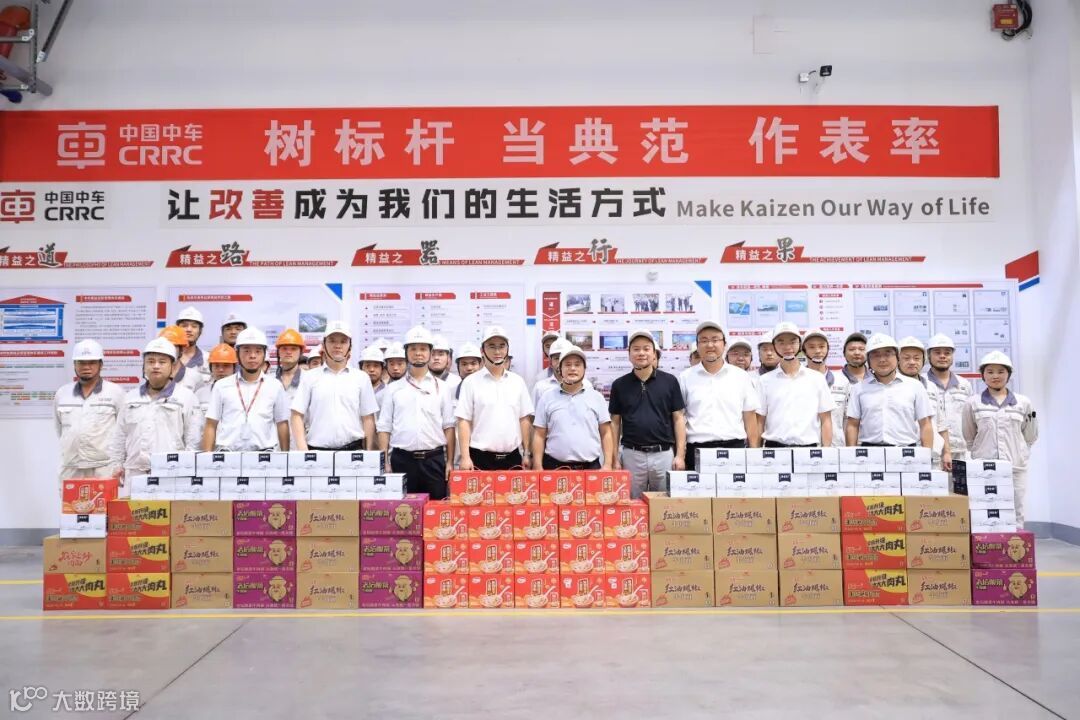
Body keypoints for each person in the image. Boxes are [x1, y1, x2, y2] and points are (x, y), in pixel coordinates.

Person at [377, 326, 456, 498]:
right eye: (413, 349)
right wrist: (385, 462)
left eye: (423, 349)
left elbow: (449, 427)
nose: (418, 353)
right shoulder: (393, 389)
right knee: (402, 510)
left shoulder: (442, 388)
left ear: (430, 352)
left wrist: (449, 462)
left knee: (436, 509)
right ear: (406, 352)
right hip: (401, 461)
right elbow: (384, 428)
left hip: (434, 461)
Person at [108, 338, 201, 483]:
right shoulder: (130, 398)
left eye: (162, 362)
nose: (156, 366)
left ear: (173, 366)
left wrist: (187, 471)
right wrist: (116, 465)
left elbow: (193, 440)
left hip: (172, 474)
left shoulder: (186, 397)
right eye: (150, 361)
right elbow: (120, 436)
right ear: (144, 366)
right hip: (135, 473)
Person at [962, 351, 1038, 526]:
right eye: (990, 372)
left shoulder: (1023, 403)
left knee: (1016, 511)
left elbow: (1030, 435)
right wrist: (981, 452)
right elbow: (969, 436)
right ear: (983, 375)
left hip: (1015, 467)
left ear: (1008, 374)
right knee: (984, 510)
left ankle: (1016, 542)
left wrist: (1020, 453)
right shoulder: (973, 403)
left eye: (1001, 371)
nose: (995, 376)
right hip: (984, 467)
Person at [609, 329, 686, 497]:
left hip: (664, 454)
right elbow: (615, 423)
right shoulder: (619, 385)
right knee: (632, 503)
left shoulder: (670, 381)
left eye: (646, 348)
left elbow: (679, 419)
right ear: (629, 354)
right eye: (636, 349)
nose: (641, 353)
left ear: (654, 353)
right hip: (631, 455)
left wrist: (680, 455)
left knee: (665, 504)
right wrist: (614, 459)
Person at [679, 321, 761, 467]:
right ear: (697, 345)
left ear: (724, 344)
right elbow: (678, 418)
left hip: (734, 449)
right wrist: (680, 455)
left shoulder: (741, 376)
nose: (710, 345)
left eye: (715, 339)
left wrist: (754, 453)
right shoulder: (685, 377)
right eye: (704, 340)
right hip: (697, 450)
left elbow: (749, 418)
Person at [291, 321, 379, 451]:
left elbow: (368, 418)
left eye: (343, 342)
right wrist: (304, 451)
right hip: (317, 452)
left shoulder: (361, 378)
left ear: (350, 346)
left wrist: (368, 451)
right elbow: (296, 415)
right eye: (332, 341)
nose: (337, 346)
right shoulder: (309, 377)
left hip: (353, 452)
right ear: (323, 345)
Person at [455, 325, 534, 471]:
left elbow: (524, 419)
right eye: (491, 346)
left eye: (502, 346)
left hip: (513, 458)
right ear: (482, 350)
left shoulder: (518, 381)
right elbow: (464, 421)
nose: (497, 351)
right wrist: (465, 457)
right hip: (479, 458)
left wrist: (527, 453)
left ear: (507, 349)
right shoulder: (470, 382)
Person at [201, 328, 290, 451]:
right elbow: (211, 424)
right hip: (228, 455)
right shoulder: (221, 386)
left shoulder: (275, 386)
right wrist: (207, 459)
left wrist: (285, 458)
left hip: (264, 456)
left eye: (258, 351)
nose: (252, 356)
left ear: (264, 354)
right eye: (246, 351)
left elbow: (282, 424)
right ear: (237, 353)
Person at [531, 346, 613, 470]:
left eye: (577, 364)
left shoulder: (597, 397)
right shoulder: (547, 397)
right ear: (560, 369)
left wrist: (607, 464)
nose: (572, 368)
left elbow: (606, 432)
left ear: (584, 369)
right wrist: (537, 465)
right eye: (568, 364)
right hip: (554, 467)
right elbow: (539, 434)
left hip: (590, 468)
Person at [845, 333, 934, 448]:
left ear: (897, 357)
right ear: (868, 361)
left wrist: (927, 455)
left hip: (906, 451)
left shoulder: (915, 386)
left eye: (887, 354)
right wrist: (851, 454)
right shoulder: (858, 388)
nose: (882, 360)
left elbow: (925, 424)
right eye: (876, 355)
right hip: (870, 451)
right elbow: (852, 425)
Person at [53, 339, 125, 480]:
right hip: (71, 469)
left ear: (101, 364)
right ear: (74, 364)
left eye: (92, 362)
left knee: (105, 497)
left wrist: (119, 464)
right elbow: (59, 429)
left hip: (104, 469)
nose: (86, 367)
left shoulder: (116, 393)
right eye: (81, 362)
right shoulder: (62, 394)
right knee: (71, 497)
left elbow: (124, 431)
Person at [757, 323, 834, 448]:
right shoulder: (764, 381)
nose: (787, 347)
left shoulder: (817, 379)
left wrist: (826, 451)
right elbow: (760, 421)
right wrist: (756, 452)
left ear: (800, 344)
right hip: (774, 449)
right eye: (781, 342)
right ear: (774, 346)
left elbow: (826, 419)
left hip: (808, 449)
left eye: (792, 342)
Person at [898, 337, 953, 470]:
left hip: (933, 455)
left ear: (924, 360)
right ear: (897, 360)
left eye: (917, 358)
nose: (912, 362)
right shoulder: (891, 387)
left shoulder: (931, 386)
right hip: (903, 455)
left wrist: (946, 452)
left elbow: (941, 423)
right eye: (906, 358)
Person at [926, 333, 974, 461]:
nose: (942, 356)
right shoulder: (922, 383)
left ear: (952, 356)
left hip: (961, 451)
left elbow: (971, 419)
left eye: (947, 353)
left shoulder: (964, 385)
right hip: (933, 451)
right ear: (928, 356)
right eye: (937, 352)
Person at [802, 329, 849, 448]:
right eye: (811, 347)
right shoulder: (797, 381)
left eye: (822, 346)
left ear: (828, 349)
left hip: (837, 448)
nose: (818, 351)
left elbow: (848, 420)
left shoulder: (842, 381)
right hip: (807, 448)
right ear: (804, 351)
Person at [193, 343, 238, 439]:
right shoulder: (200, 394)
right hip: (206, 444)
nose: (221, 370)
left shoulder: (242, 393)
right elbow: (195, 426)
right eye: (216, 366)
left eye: (226, 366)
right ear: (210, 368)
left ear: (234, 368)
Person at [175, 306, 210, 392]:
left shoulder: (209, 359)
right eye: (184, 326)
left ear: (200, 331)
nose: (189, 329)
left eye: (194, 326)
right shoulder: (167, 358)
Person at [274, 329, 305, 402]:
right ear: (278, 352)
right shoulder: (269, 380)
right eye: (284, 348)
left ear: (300, 352)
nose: (288, 352)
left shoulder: (309, 379)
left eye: (293, 349)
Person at [358, 344, 388, 408]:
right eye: (367, 366)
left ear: (382, 369)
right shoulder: (354, 390)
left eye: (376, 366)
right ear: (361, 368)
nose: (372, 370)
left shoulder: (389, 391)